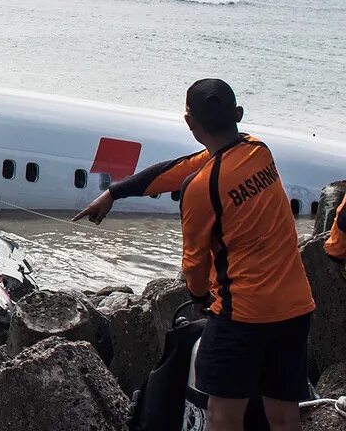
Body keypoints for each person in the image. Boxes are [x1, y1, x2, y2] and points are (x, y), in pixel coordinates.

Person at [74, 79, 314, 431]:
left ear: (190, 123)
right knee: (283, 415)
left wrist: (200, 298)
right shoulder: (258, 150)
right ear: (238, 114)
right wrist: (115, 193)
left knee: (222, 417)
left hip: (242, 317)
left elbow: (194, 264)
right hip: (295, 308)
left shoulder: (202, 188)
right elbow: (179, 168)